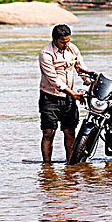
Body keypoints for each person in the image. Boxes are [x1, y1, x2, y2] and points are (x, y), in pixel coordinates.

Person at [38, 24, 91, 163]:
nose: (66, 44)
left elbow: (81, 68)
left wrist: (89, 80)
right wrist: (73, 93)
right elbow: (54, 80)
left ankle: (71, 164)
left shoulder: (72, 49)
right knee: (49, 133)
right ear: (54, 40)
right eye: (63, 42)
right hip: (50, 98)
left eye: (68, 40)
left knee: (70, 131)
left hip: (68, 98)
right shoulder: (46, 54)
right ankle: (47, 166)